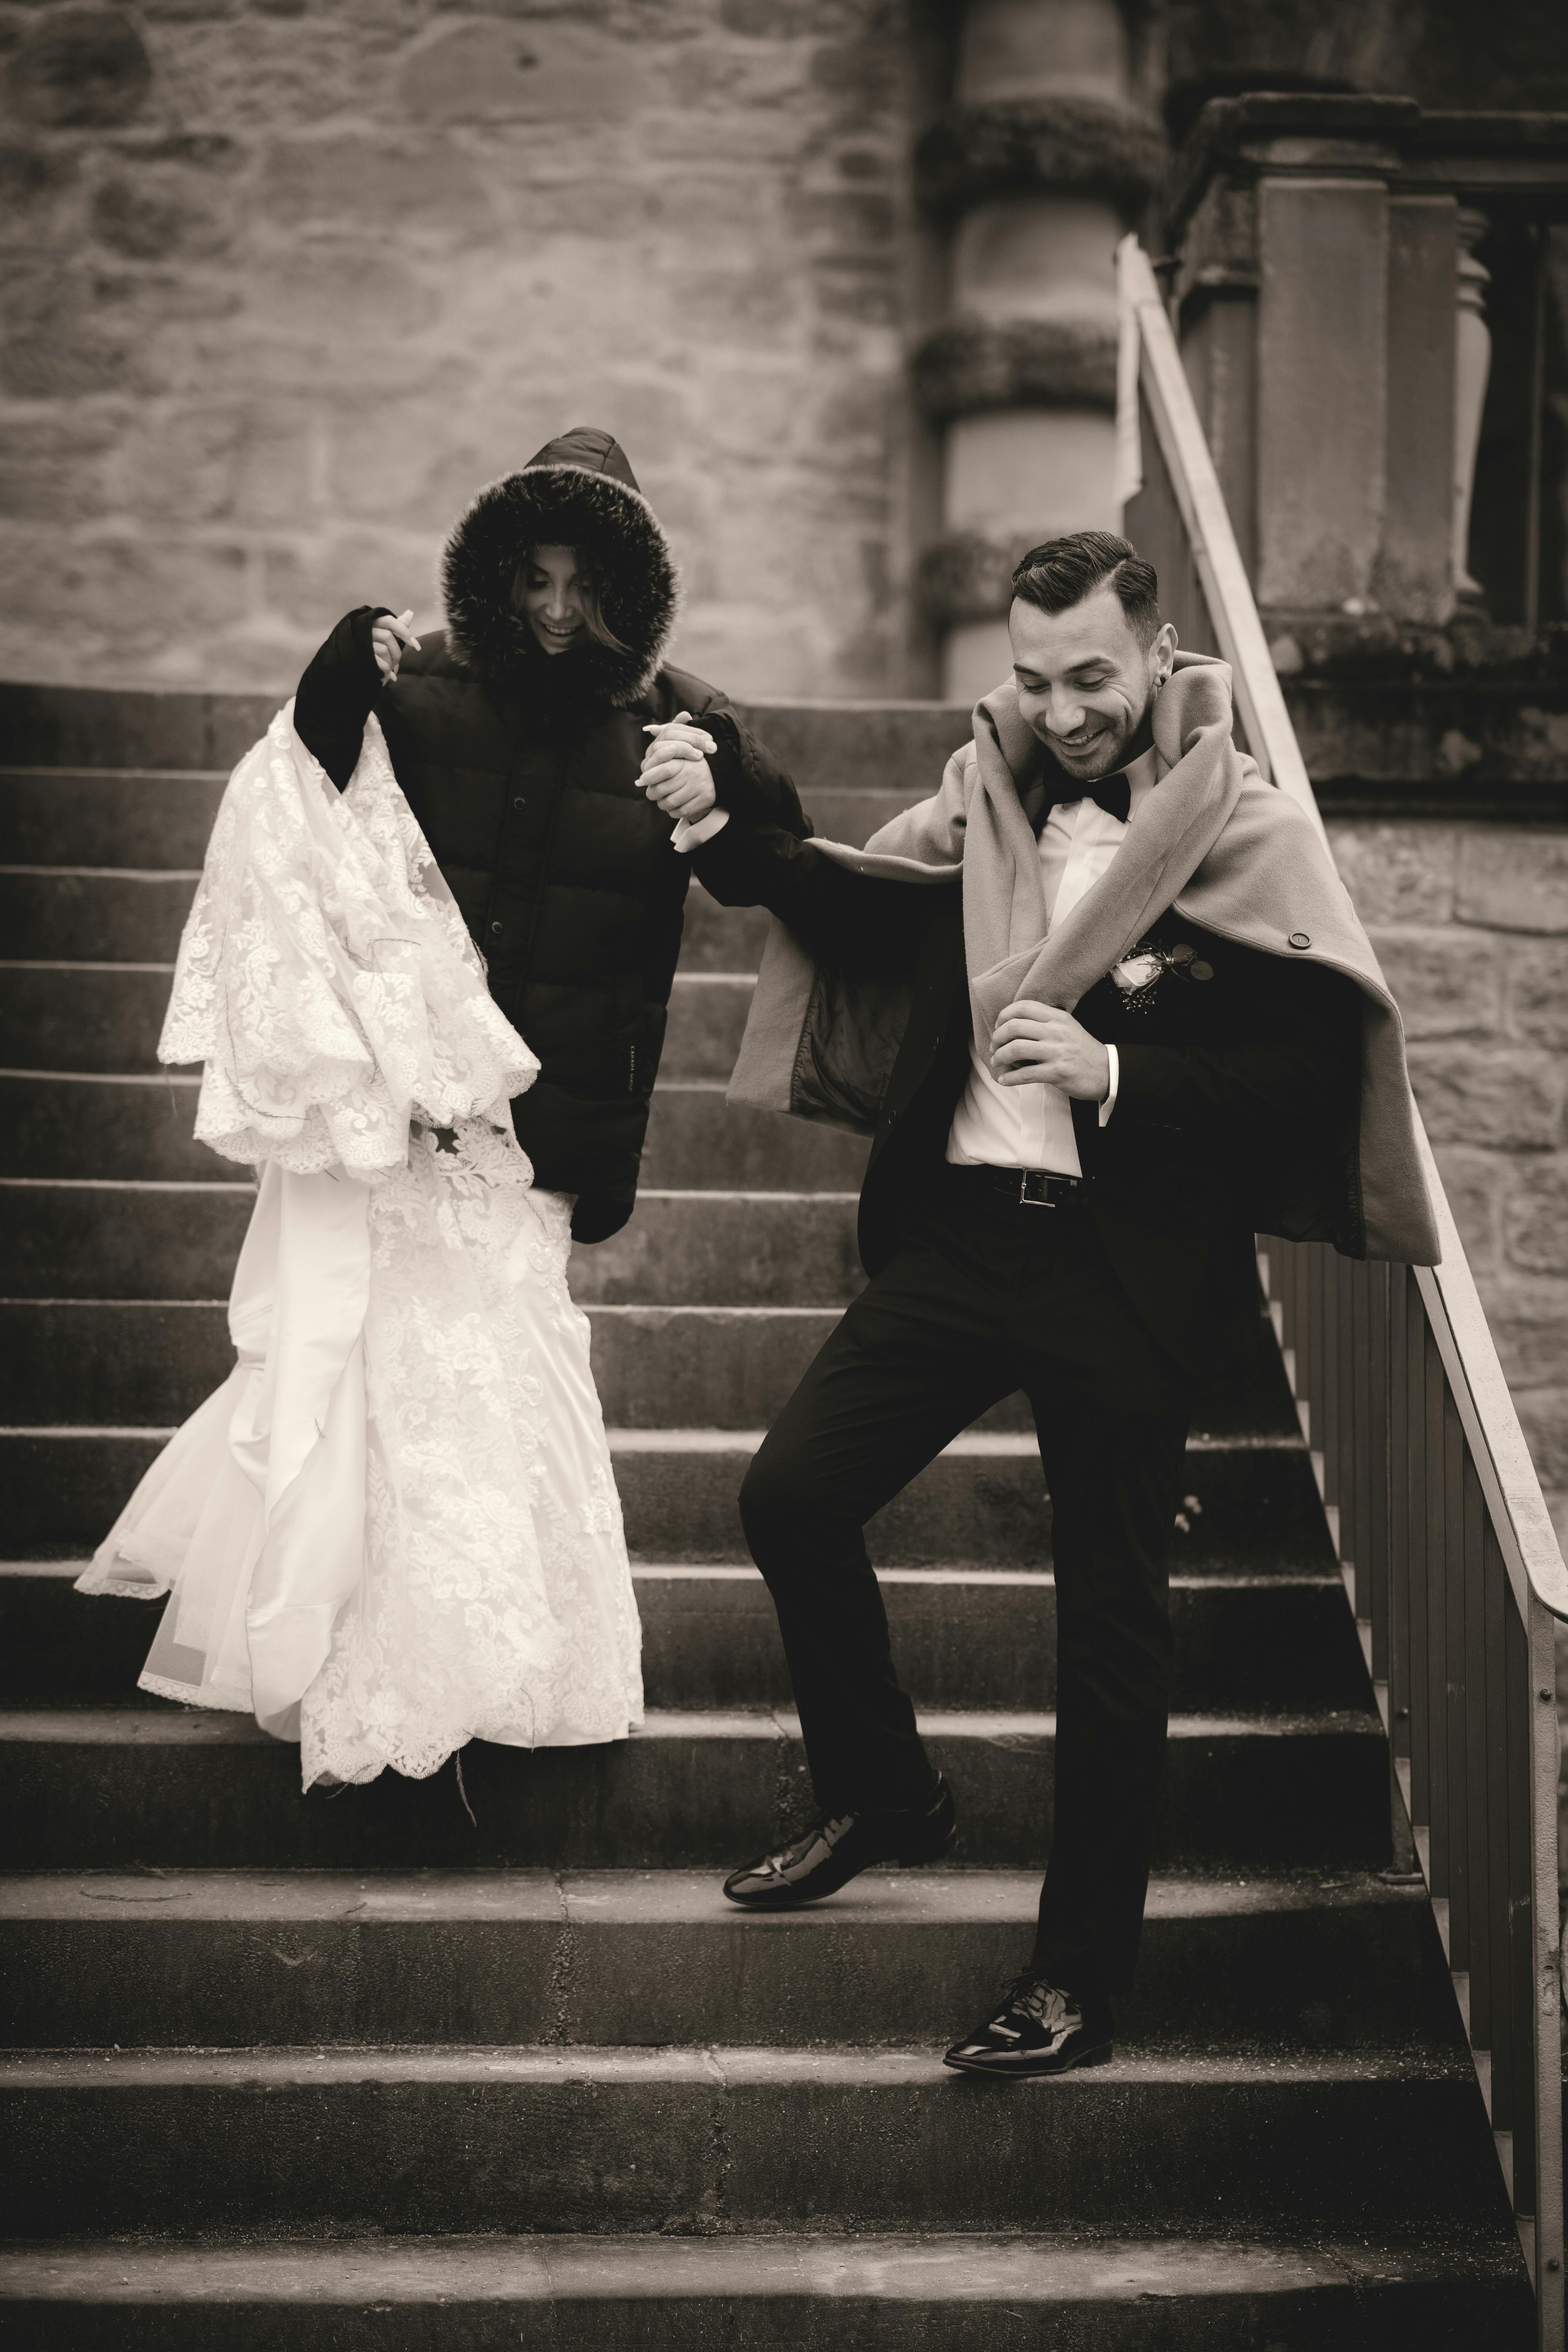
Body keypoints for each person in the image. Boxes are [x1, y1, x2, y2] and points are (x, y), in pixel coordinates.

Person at [681, 530, 1438, 2078]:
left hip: (1124, 1274)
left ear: (1156, 654)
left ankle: (1073, 1978)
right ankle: (885, 1789)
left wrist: (1121, 1073)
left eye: (1090, 675)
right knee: (790, 1495)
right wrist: (723, 832)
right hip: (960, 1241)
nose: (1064, 707)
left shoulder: (1247, 830)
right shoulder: (983, 800)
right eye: (1033, 678)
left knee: (1109, 1641)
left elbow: (1306, 1075)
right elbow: (862, 901)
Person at [78, 427, 803, 1789]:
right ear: (491, 573)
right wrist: (336, 664)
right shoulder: (418, 690)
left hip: (549, 1133)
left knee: (507, 1384)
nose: (551, 610)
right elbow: (294, 802)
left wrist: (734, 788)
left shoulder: (677, 725)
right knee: (383, 1390)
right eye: (530, 578)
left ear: (630, 589)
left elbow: (773, 865)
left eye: (583, 585)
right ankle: (377, 1673)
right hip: (404, 1117)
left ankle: (514, 1671)